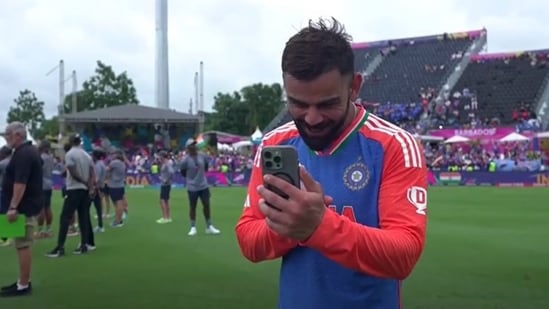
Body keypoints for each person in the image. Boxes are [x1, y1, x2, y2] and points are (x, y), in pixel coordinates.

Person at [235, 18, 428, 309]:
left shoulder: (394, 145)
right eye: (298, 103)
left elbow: (403, 255)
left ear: (354, 87)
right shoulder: (275, 144)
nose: (311, 118)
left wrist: (318, 226)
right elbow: (249, 240)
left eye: (326, 104)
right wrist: (289, 225)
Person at [0, 122, 43, 297]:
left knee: (23, 245)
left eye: (8, 134)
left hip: (22, 208)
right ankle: (22, 281)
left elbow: (20, 183)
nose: (6, 138)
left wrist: (13, 206)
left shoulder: (24, 154)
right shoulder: (24, 152)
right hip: (21, 206)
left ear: (18, 135)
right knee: (19, 244)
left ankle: (23, 285)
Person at [46, 134, 96, 257]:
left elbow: (72, 171)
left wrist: (84, 182)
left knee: (65, 217)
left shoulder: (70, 154)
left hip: (74, 188)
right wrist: (90, 185)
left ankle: (60, 247)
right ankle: (84, 245)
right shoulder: (86, 155)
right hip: (84, 190)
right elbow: (91, 171)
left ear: (71, 141)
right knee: (83, 217)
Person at [180, 138, 220, 236]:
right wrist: (191, 180)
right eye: (192, 145)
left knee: (206, 204)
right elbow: (183, 173)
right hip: (192, 187)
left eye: (195, 144)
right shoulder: (185, 160)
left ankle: (209, 226)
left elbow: (206, 167)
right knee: (192, 206)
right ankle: (193, 227)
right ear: (188, 148)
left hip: (203, 185)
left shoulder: (202, 155)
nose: (194, 146)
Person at [37, 141, 55, 238]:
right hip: (49, 183)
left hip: (41, 184)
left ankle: (40, 230)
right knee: (48, 207)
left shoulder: (41, 158)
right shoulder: (51, 158)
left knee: (41, 208)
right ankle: (48, 228)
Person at [107, 150, 127, 227]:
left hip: (115, 186)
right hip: (120, 185)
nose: (112, 155)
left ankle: (118, 221)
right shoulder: (122, 163)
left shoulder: (114, 163)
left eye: (113, 154)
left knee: (118, 204)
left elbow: (107, 169)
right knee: (119, 203)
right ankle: (118, 219)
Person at [0, 145, 13, 247]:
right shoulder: (16, 162)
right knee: (14, 210)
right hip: (14, 189)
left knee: (4, 212)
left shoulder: (2, 163)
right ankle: (13, 235)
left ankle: (6, 237)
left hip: (4, 190)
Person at [156, 151, 173, 224]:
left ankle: (165, 217)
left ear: (162, 156)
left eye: (160, 156)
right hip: (166, 184)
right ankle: (168, 217)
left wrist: (166, 180)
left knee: (162, 200)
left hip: (165, 184)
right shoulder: (165, 163)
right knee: (166, 200)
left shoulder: (167, 163)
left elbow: (171, 172)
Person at [91, 149, 106, 232]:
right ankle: (100, 225)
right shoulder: (102, 164)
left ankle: (100, 226)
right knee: (98, 207)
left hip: (97, 188)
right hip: (100, 186)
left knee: (95, 207)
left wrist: (96, 189)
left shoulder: (98, 165)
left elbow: (96, 179)